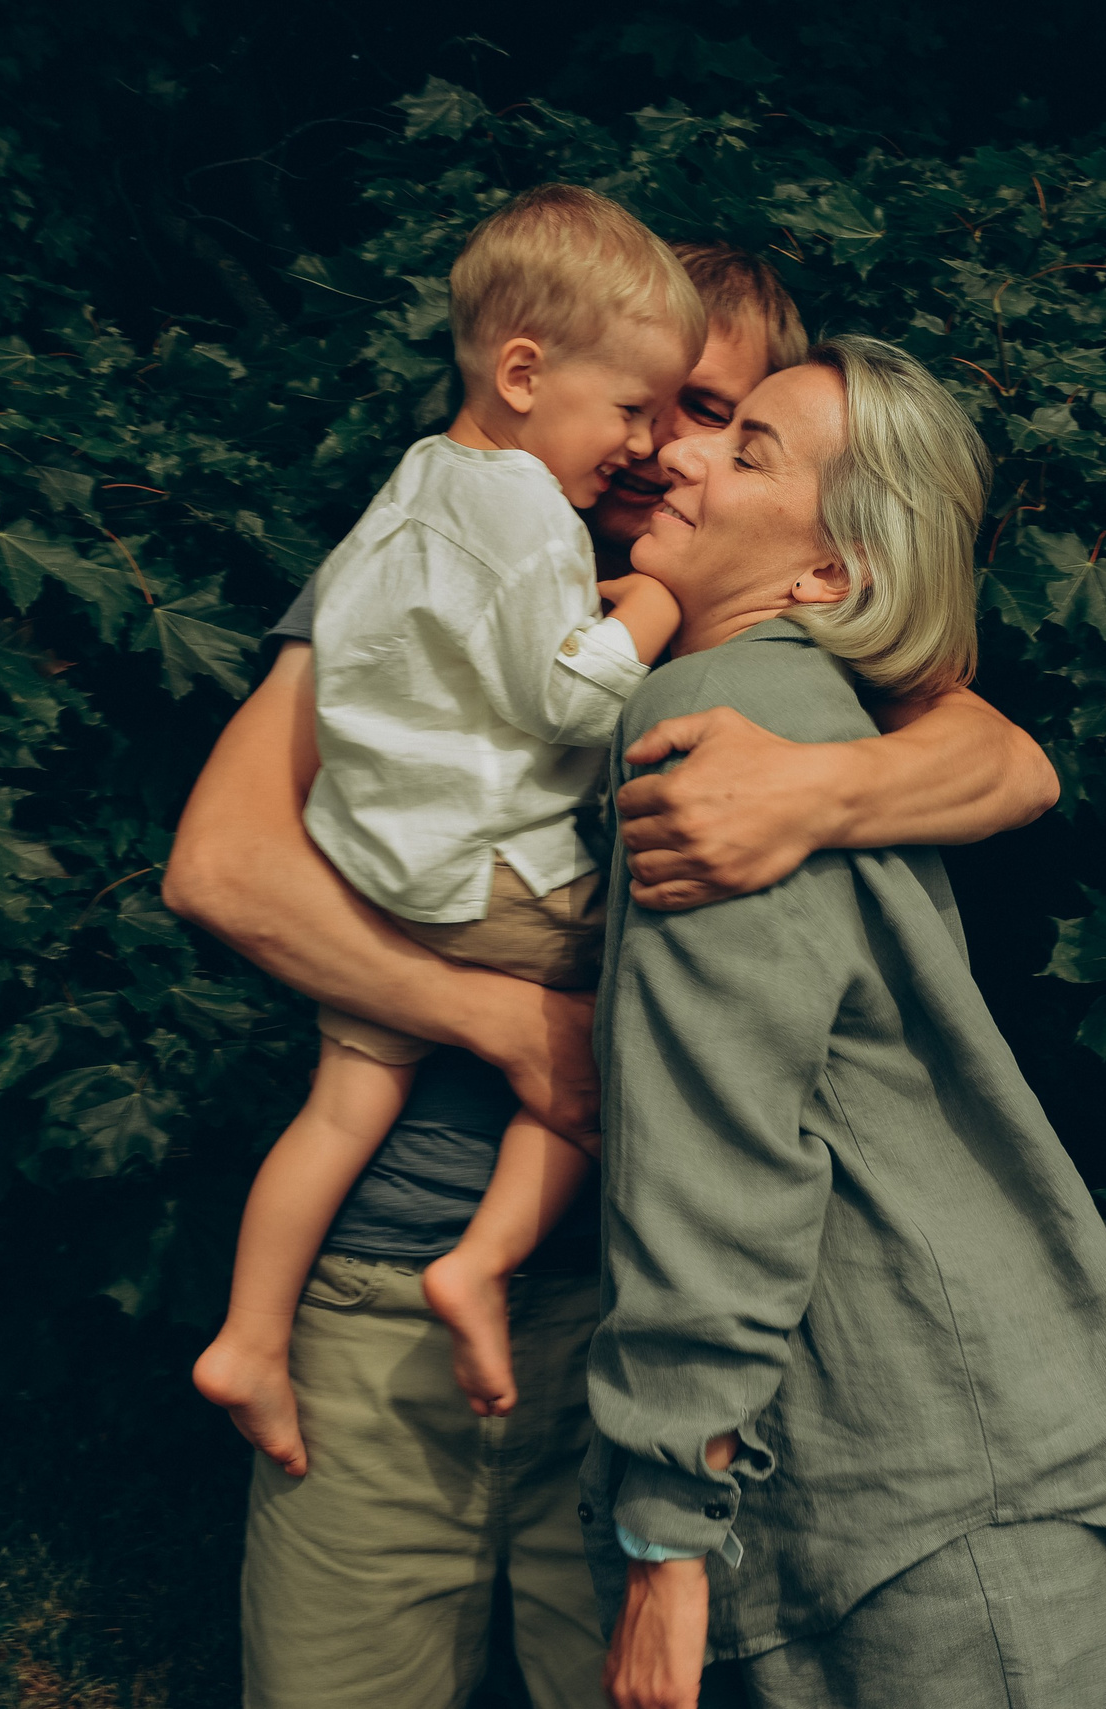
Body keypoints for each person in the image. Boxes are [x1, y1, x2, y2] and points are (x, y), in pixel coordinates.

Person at [163, 250, 1059, 1709]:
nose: (666, 447)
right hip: (391, 1275)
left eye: (720, 413)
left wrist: (816, 794)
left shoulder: (745, 617)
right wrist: (522, 1026)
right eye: (655, 403)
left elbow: (1011, 761)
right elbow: (223, 864)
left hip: (637, 1325)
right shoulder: (453, 543)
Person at [585, 335, 1106, 1709]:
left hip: (935, 1500)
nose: (675, 455)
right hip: (935, 1487)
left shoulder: (720, 716)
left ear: (828, 574)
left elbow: (722, 1144)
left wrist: (662, 1535)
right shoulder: (802, 717)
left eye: (745, 446)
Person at [191, 182, 700, 1452]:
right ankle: (478, 1262)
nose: (640, 446)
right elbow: (574, 696)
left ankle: (248, 1338)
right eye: (631, 408)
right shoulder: (533, 510)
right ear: (524, 371)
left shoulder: (417, 480)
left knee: (341, 1105)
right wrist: (656, 602)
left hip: (379, 867)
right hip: (495, 879)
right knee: (610, 1002)